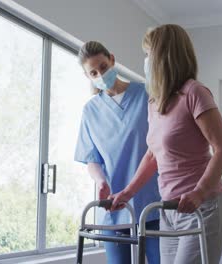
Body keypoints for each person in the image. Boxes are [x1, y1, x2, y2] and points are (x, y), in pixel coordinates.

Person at [110, 24, 222, 264]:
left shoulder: (194, 93)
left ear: (165, 57)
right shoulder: (155, 102)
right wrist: (128, 192)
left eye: (148, 55)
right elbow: (153, 155)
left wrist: (200, 191)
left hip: (204, 206)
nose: (145, 61)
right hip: (169, 209)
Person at [74, 41, 161, 264]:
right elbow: (92, 158)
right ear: (87, 76)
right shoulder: (90, 111)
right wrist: (101, 181)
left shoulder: (146, 95)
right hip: (113, 207)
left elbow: (159, 147)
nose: (100, 74)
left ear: (112, 59)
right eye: (93, 72)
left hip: (151, 203)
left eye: (103, 67)